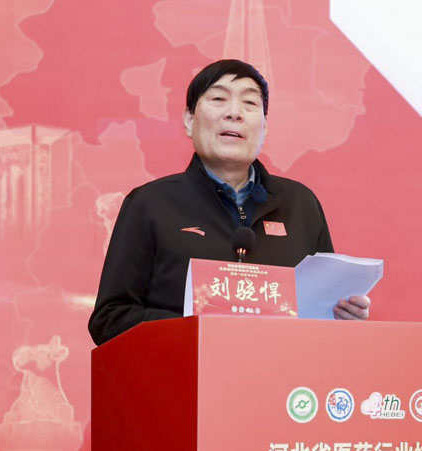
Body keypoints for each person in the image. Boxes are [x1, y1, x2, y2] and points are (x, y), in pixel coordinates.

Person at [88, 59, 370, 345]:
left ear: (264, 126)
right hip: (185, 369)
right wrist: (198, 329)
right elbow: (110, 319)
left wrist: (342, 316)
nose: (234, 113)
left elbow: (322, 316)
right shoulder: (150, 204)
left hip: (278, 370)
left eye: (249, 103)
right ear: (189, 120)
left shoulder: (301, 205)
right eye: (218, 99)